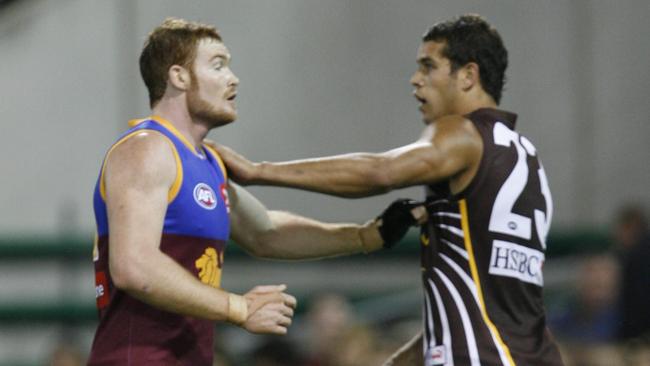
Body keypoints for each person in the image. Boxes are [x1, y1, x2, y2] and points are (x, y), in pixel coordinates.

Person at [213, 14, 564, 365]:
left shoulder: (462, 133)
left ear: (469, 76)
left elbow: (381, 172)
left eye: (429, 66)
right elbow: (482, 307)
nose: (416, 80)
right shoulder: (526, 159)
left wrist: (258, 171)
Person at [88, 18, 424, 365]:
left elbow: (266, 231)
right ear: (179, 76)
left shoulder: (206, 162)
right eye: (218, 65)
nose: (233, 78)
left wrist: (367, 236)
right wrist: (239, 307)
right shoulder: (147, 148)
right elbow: (133, 266)